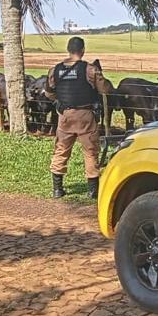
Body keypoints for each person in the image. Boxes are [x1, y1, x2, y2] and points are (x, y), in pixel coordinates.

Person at [45, 36, 112, 199]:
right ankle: (92, 191)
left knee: (61, 150)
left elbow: (48, 92)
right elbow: (105, 89)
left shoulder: (55, 70)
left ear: (68, 49)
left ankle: (57, 189)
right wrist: (100, 74)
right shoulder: (90, 69)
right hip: (86, 116)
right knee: (90, 152)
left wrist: (62, 102)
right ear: (83, 50)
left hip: (65, 116)